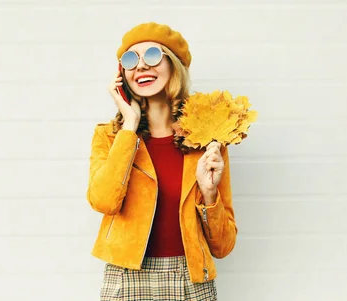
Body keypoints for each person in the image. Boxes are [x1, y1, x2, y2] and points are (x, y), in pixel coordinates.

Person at [86, 22, 237, 301]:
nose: (141, 66)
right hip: (125, 277)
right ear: (122, 75)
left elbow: (223, 245)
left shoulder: (207, 141)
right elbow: (104, 201)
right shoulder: (110, 137)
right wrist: (129, 126)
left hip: (190, 278)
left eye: (153, 56)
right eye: (131, 60)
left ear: (174, 66)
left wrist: (209, 193)